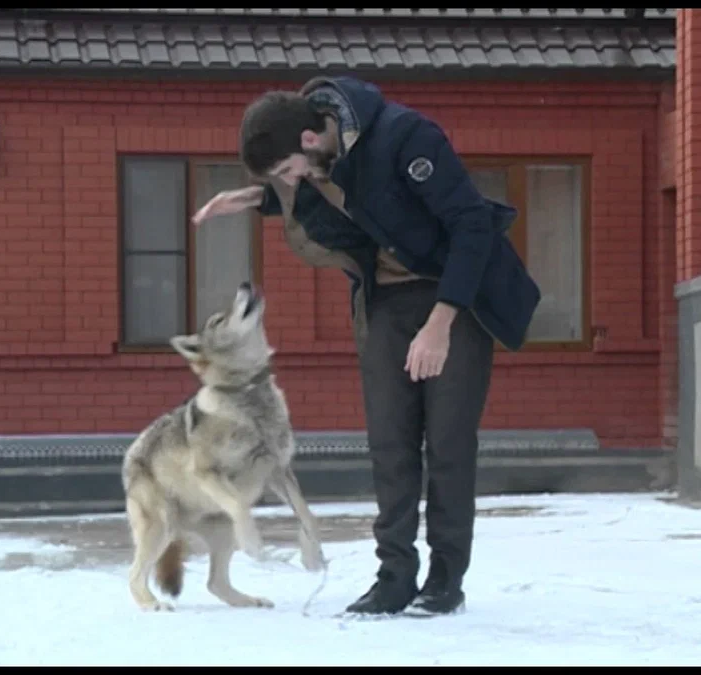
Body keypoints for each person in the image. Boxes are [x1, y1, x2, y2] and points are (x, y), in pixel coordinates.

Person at [191, 76, 541, 617]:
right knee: (391, 446)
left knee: (447, 446)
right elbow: (351, 201)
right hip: (385, 304)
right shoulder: (326, 154)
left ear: (310, 139)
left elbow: (471, 225)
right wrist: (261, 198)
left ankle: (446, 580)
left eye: (289, 170)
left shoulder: (406, 136)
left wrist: (441, 322)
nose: (295, 180)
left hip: (456, 300)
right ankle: (395, 576)